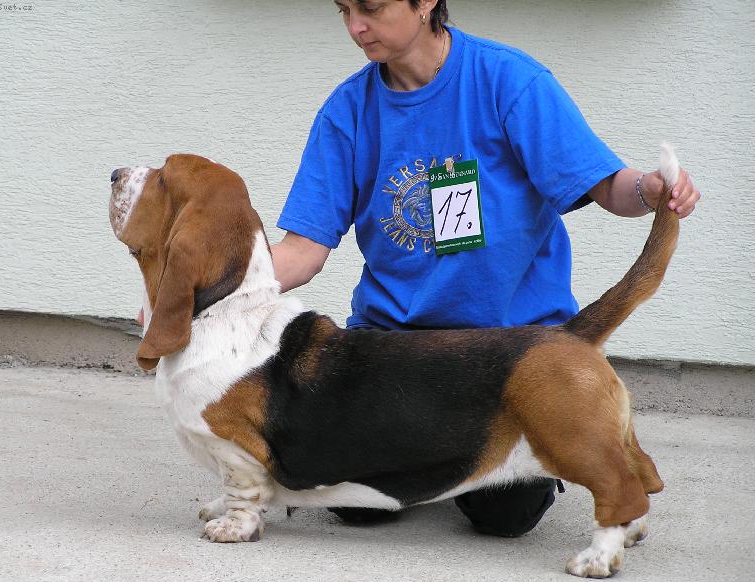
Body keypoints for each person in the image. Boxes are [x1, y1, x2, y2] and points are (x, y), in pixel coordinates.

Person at [266, 0, 701, 536]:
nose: (355, 27)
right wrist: (201, 289)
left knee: (505, 518)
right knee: (355, 505)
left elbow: (608, 187)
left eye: (372, 8)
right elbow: (302, 251)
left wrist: (649, 190)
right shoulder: (347, 110)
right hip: (392, 351)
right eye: (344, 9)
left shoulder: (510, 81)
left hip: (508, 352)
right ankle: (430, 460)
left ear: (426, 2)